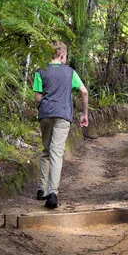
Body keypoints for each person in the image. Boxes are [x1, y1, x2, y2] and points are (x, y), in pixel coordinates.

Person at [33, 41, 89, 209]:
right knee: (56, 152)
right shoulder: (70, 72)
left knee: (45, 150)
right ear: (62, 55)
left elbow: (37, 97)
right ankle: (52, 193)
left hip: (45, 114)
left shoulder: (40, 71)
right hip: (63, 115)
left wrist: (44, 108)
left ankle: (41, 189)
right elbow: (84, 91)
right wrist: (84, 114)